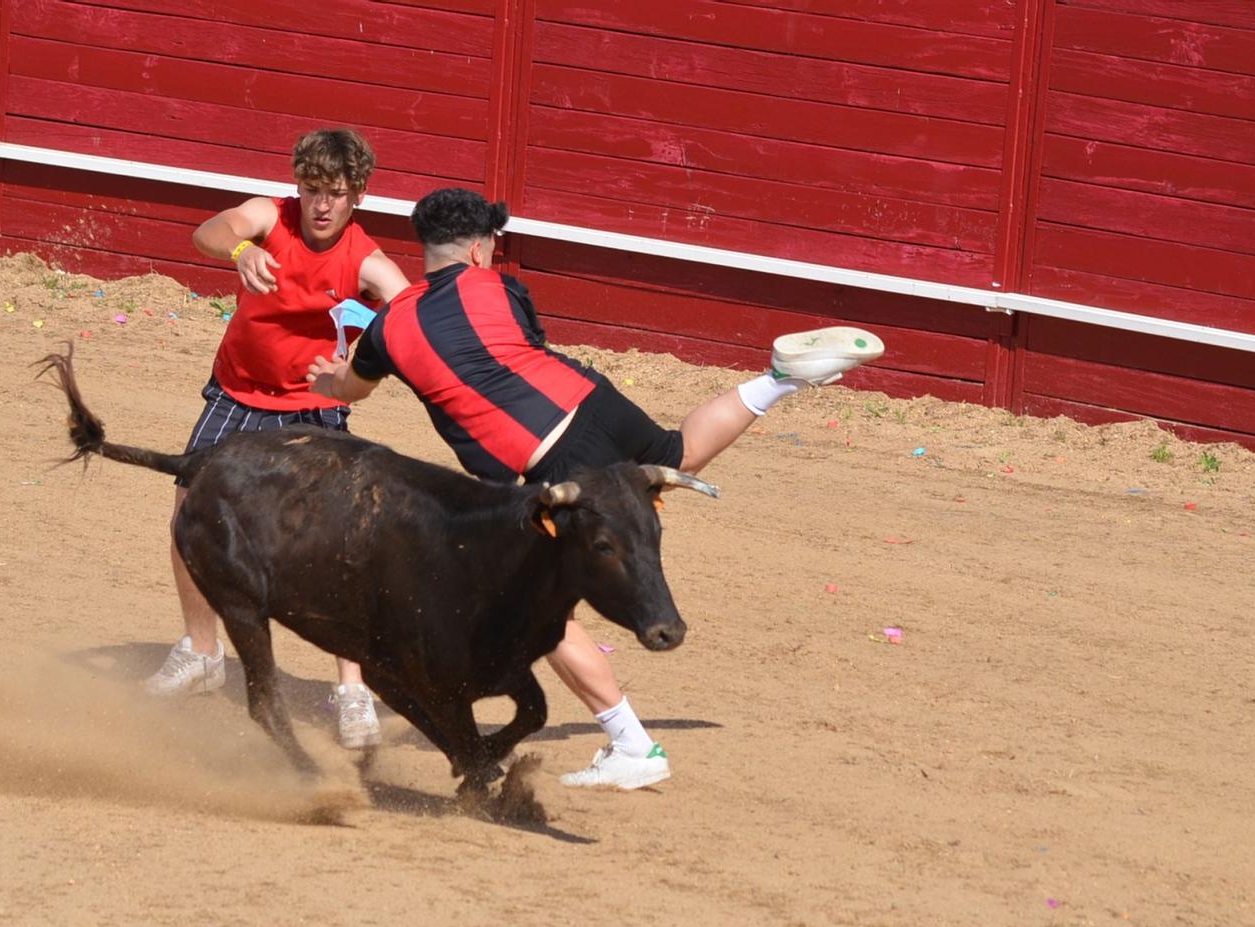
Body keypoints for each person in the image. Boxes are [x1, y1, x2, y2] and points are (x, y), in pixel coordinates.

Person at [308, 187, 883, 789]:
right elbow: (523, 346)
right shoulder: (502, 287)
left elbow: (351, 388)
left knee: (538, 605)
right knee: (673, 452)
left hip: (542, 457)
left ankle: (632, 744)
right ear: (480, 250)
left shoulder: (387, 328)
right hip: (590, 400)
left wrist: (328, 382)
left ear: (425, 247)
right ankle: (776, 381)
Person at [142, 128, 410, 751]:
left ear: (358, 197)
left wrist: (360, 366)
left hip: (312, 410)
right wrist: (238, 252)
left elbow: (408, 313)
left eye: (336, 194)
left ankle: (351, 688)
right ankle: (202, 652)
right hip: (237, 393)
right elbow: (208, 231)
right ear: (299, 186)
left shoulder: (369, 263)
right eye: (313, 189)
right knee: (189, 516)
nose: (322, 205)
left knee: (337, 543)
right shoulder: (269, 218)